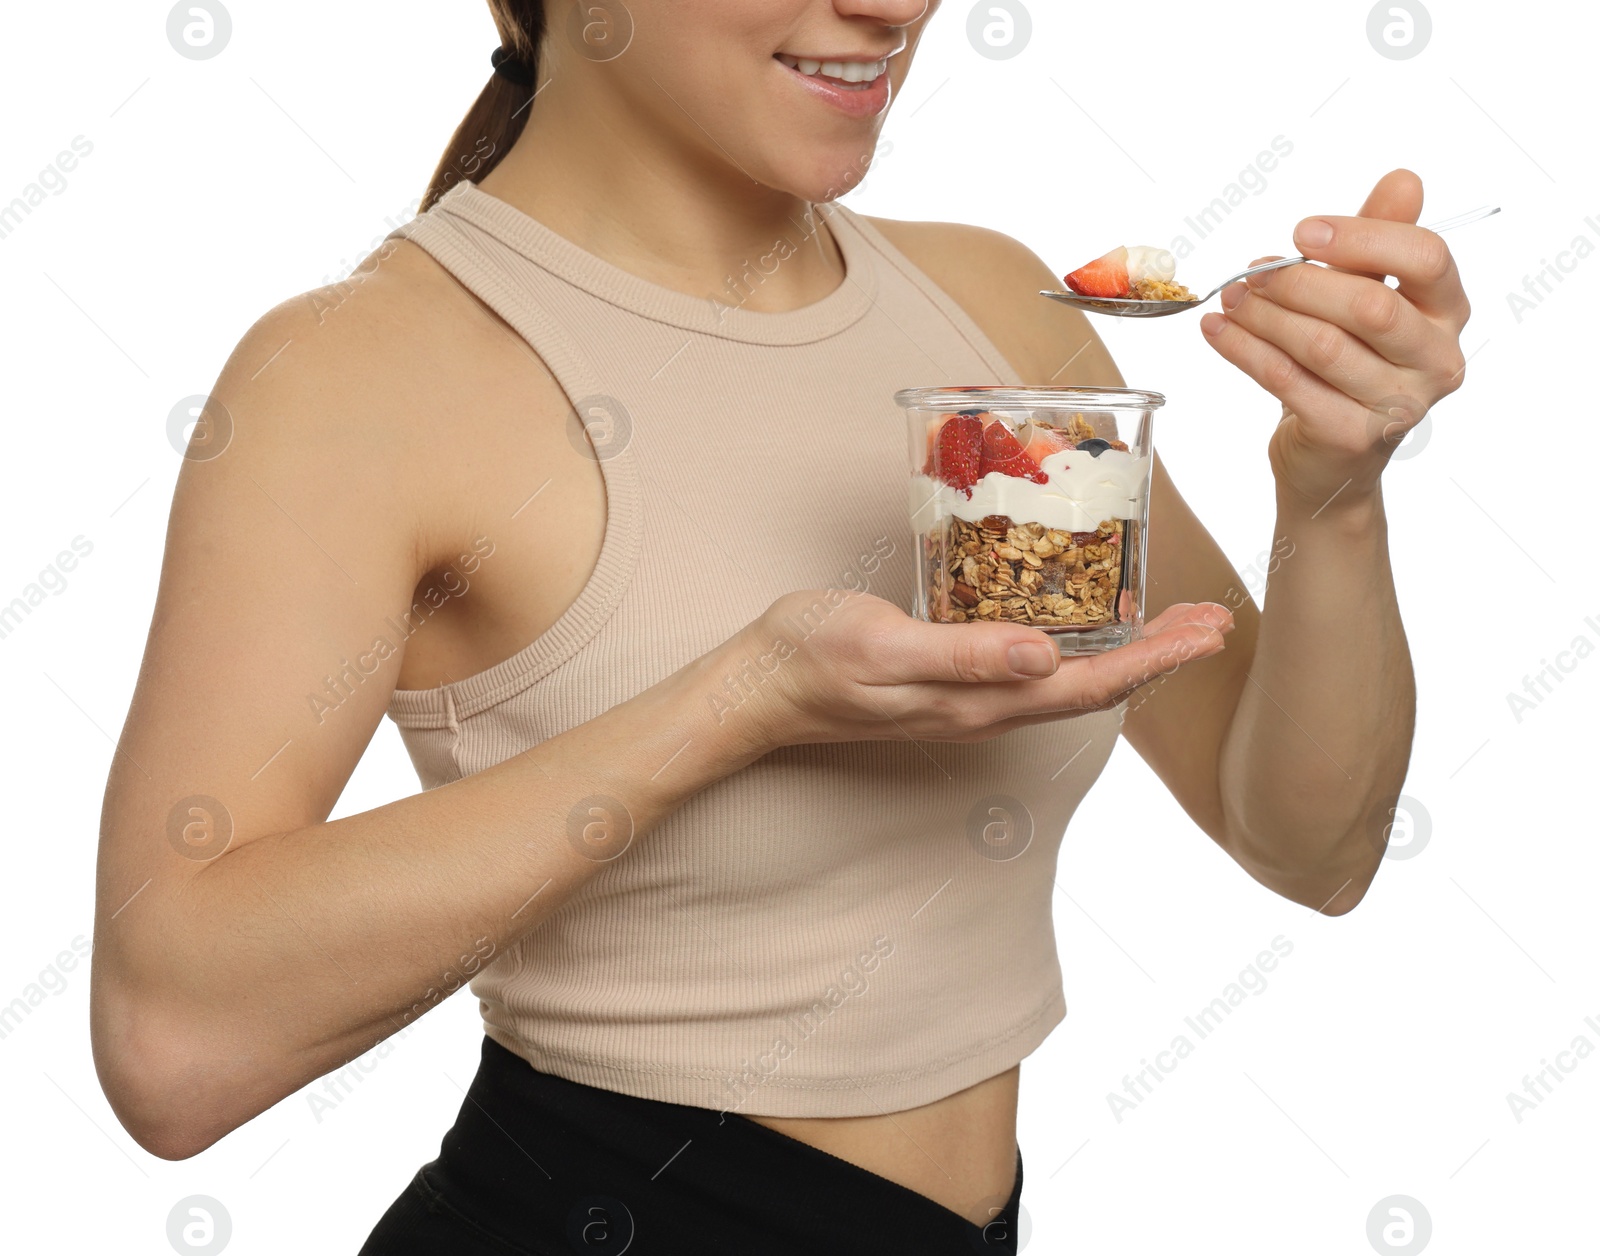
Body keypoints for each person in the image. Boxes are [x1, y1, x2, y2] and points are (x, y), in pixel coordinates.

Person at [89, 1, 1473, 1251]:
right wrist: (743, 698)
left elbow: (1311, 844)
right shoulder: (359, 371)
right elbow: (171, 1041)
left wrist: (1335, 492)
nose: (892, 6)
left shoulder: (986, 302)